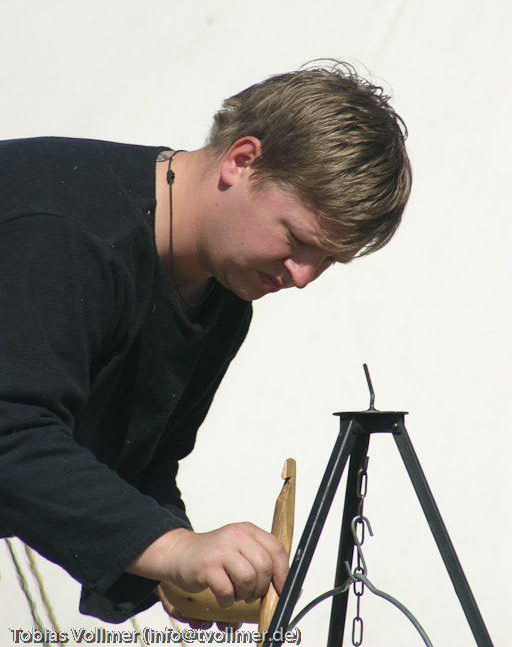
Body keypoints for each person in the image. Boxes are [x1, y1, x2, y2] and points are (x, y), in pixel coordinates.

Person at [0, 63, 412, 625]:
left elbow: (139, 460)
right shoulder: (66, 229)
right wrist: (173, 548)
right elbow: (11, 434)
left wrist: (182, 568)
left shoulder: (223, 298)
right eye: (296, 238)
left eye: (327, 260)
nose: (302, 276)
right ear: (242, 161)